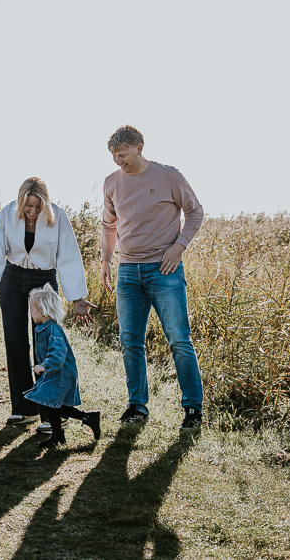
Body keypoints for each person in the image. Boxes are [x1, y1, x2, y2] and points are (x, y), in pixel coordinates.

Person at [100, 125, 205, 434]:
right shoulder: (111, 183)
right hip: (128, 271)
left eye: (123, 155)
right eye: (114, 156)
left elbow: (195, 213)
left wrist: (179, 246)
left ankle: (192, 408)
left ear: (139, 148)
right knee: (130, 341)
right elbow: (108, 225)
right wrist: (106, 260)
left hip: (165, 270)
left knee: (179, 339)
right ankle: (137, 406)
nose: (119, 162)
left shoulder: (168, 176)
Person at [0, 177, 94, 432]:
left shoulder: (58, 217)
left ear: (45, 203)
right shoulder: (7, 215)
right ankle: (23, 408)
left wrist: (77, 298)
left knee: (46, 345)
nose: (33, 211)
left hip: (43, 279)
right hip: (13, 278)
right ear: (21, 201)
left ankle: (50, 414)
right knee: (15, 343)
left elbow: (69, 255)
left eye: (38, 206)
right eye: (28, 206)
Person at [24, 284, 101, 449]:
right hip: (54, 373)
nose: (30, 312)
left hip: (60, 373)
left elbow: (58, 355)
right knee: (52, 404)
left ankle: (87, 419)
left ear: (42, 312)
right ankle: (59, 436)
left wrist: (44, 366)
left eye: (32, 309)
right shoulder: (42, 328)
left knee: (51, 403)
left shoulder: (53, 330)